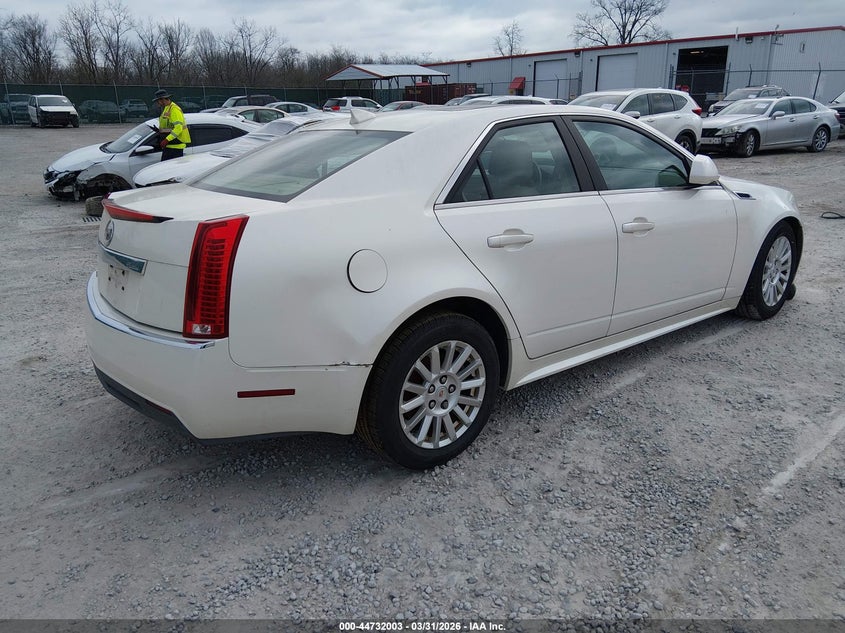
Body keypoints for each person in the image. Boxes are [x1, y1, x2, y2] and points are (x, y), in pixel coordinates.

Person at [152, 89, 191, 161]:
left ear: (163, 100)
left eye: (158, 101)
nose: (158, 103)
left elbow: (178, 128)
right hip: (170, 146)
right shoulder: (167, 108)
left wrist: (167, 140)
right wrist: (159, 131)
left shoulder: (174, 109)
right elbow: (168, 126)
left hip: (175, 147)